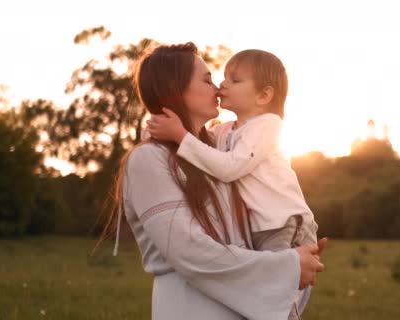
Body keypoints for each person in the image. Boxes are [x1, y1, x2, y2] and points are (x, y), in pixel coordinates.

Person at [100, 42, 326, 320]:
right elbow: (190, 252)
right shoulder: (149, 159)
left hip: (245, 305)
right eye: (207, 79)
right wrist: (288, 266)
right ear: (176, 88)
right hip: (192, 308)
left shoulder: (220, 149)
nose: (218, 87)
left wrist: (296, 248)